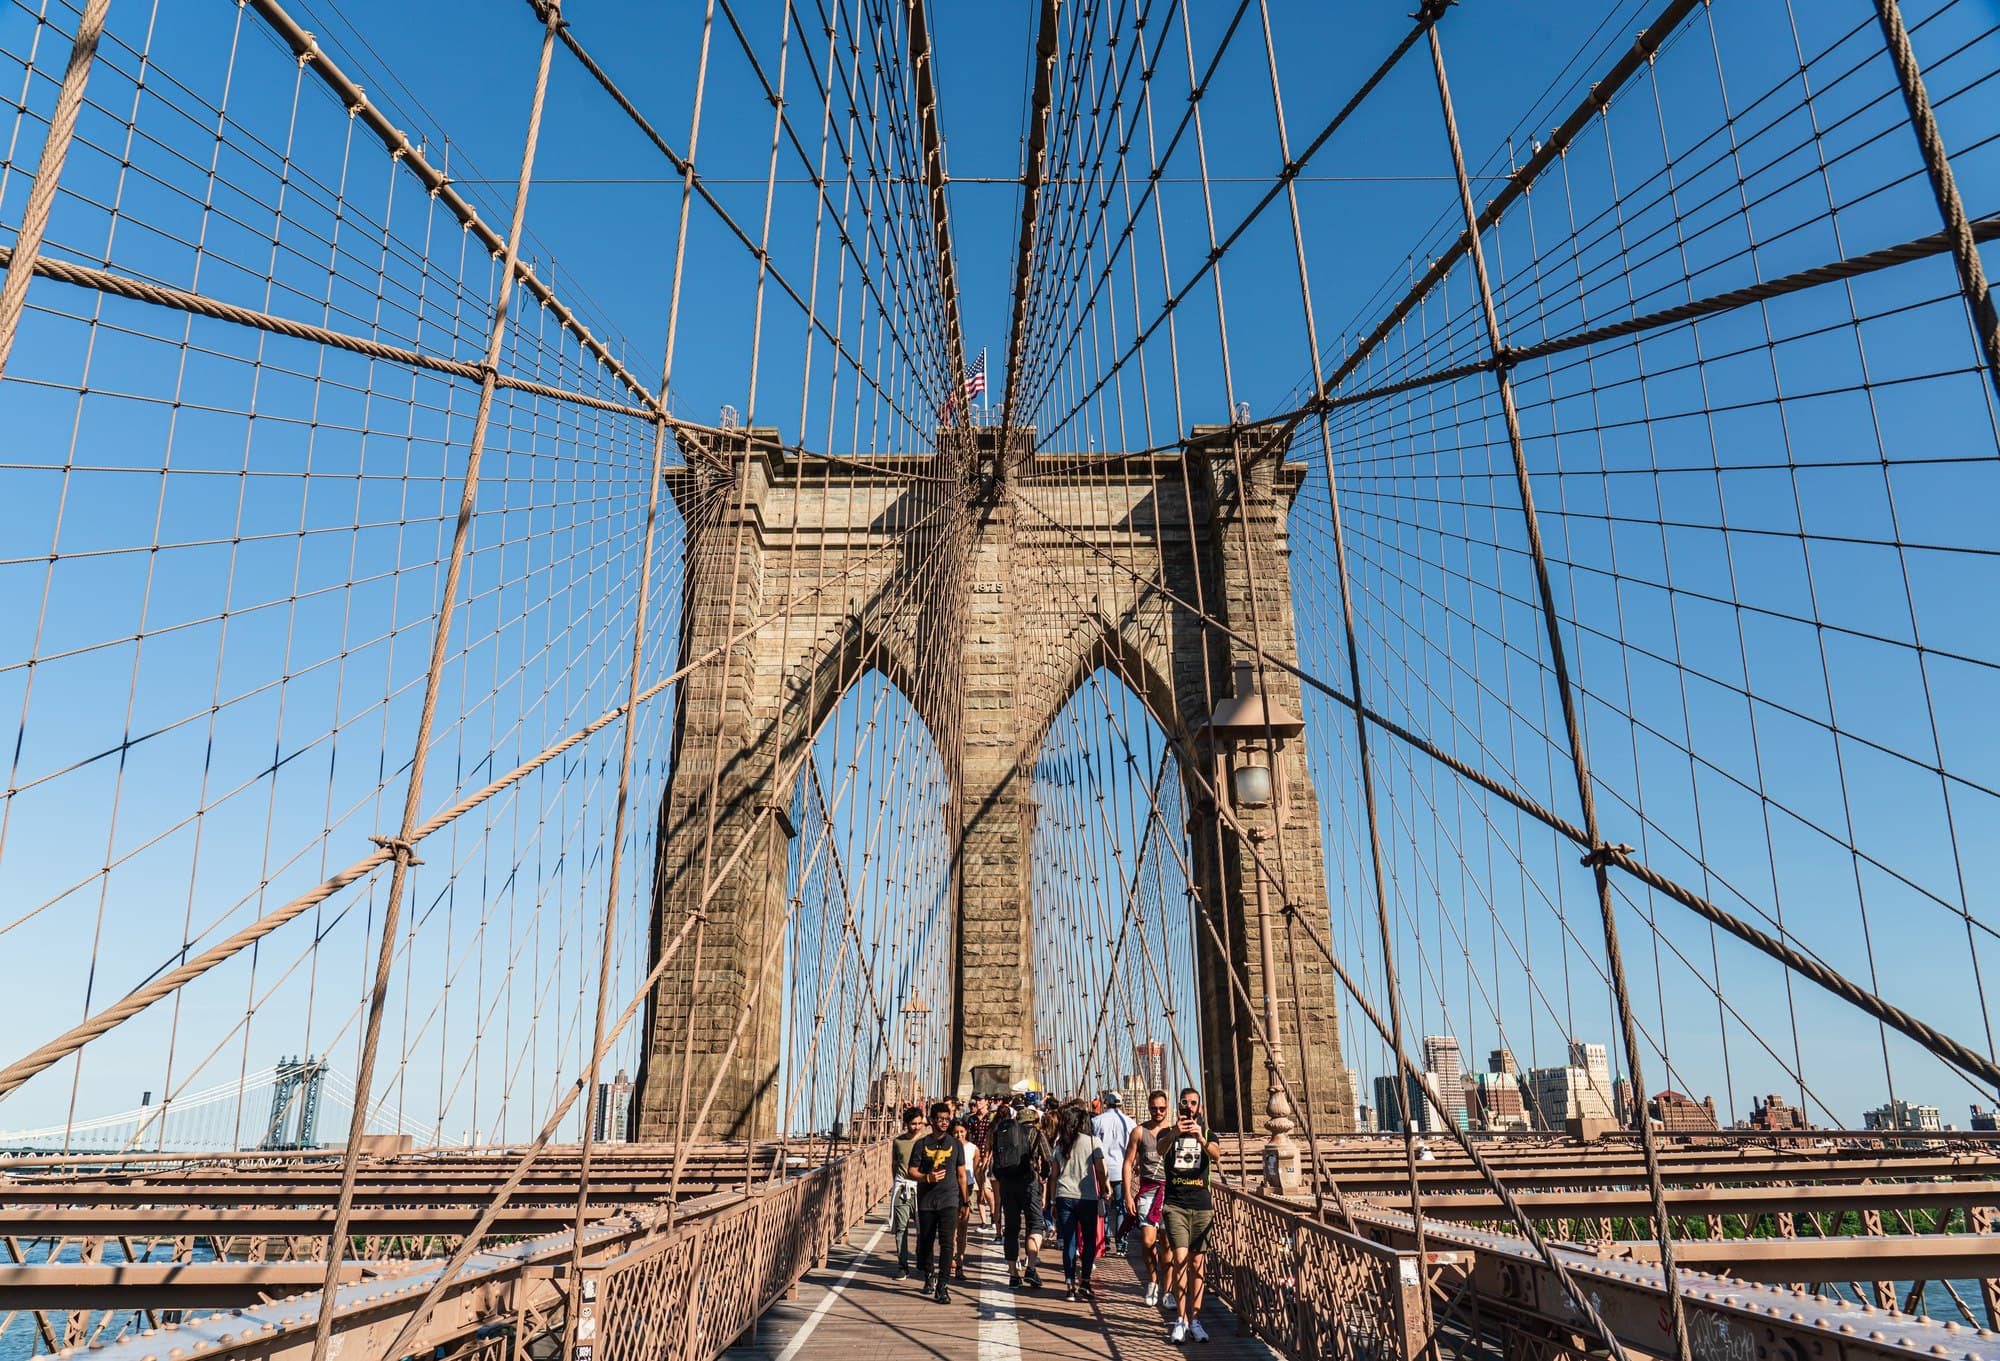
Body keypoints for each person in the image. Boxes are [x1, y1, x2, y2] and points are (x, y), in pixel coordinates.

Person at [1161, 1087, 1222, 1343]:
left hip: (1201, 1205)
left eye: (1194, 1103)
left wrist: (1201, 1139)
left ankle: (1195, 1321)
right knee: (1180, 1259)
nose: (1189, 1107)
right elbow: (1157, 1150)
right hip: (1175, 1205)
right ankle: (1181, 1320)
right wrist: (1176, 1132)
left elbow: (1217, 1155)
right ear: (1180, 1106)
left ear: (1200, 1108)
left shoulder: (1208, 1133)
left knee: (1197, 1264)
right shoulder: (1168, 1133)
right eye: (1185, 1103)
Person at [907, 1101, 970, 1303]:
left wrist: (965, 1202)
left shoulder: (955, 1144)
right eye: (941, 1119)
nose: (944, 1123)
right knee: (925, 1242)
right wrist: (927, 1178)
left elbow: (961, 1174)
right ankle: (929, 1274)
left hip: (949, 1199)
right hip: (926, 1200)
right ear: (932, 1121)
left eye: (947, 1119)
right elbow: (911, 1171)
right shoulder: (921, 1144)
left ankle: (943, 1285)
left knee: (947, 1243)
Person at [989, 1094, 1053, 1288]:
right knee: (1035, 1225)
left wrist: (1003, 1179)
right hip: (1029, 1183)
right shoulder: (1037, 1134)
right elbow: (1048, 1160)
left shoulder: (1005, 1133)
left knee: (1011, 1229)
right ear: (1033, 1121)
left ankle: (1013, 1275)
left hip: (1008, 1184)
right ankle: (1031, 1268)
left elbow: (996, 1163)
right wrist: (1043, 1175)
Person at [1050, 1101, 1108, 1301]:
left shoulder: (1060, 1144)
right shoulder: (1093, 1142)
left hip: (1063, 1196)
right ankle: (1085, 1282)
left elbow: (1053, 1175)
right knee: (1089, 1240)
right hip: (1087, 1197)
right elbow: (1100, 1169)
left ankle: (1069, 1286)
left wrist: (1051, 1201)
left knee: (1069, 1242)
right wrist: (1105, 1188)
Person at [1123, 1088, 1172, 1306]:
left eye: (1162, 1108)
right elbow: (1128, 1163)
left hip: (1170, 1192)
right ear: (1149, 1108)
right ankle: (1153, 1282)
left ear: (1167, 1108)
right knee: (1147, 1241)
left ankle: (1168, 1292)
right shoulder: (1139, 1132)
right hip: (1147, 1191)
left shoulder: (1174, 1131)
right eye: (1154, 1108)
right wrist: (1128, 1195)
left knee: (1168, 1244)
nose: (1158, 1112)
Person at [1092, 1089, 1136, 1250]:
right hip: (1122, 1170)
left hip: (1101, 1169)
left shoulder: (1097, 1121)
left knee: (1102, 1205)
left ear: (1106, 1104)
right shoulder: (1130, 1123)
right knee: (1120, 1206)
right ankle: (1121, 1243)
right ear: (1121, 1104)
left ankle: (1104, 1241)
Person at [889, 1105, 923, 1279]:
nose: (917, 1127)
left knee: (922, 1228)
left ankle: (921, 1257)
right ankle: (902, 1265)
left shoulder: (926, 1140)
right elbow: (894, 1164)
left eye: (919, 1123)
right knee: (901, 1228)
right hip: (903, 1188)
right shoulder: (898, 1142)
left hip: (921, 1188)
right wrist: (895, 1182)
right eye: (913, 1124)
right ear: (906, 1124)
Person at [950, 1116, 977, 1280]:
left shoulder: (973, 1149)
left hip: (968, 1188)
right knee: (951, 1228)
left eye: (961, 1132)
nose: (959, 1135)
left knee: (963, 1228)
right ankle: (952, 1259)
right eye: (955, 1132)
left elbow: (975, 1172)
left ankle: (960, 1259)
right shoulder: (948, 1147)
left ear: (966, 1132)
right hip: (952, 1188)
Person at [964, 1096, 995, 1227]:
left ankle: (994, 1216)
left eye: (981, 1100)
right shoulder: (971, 1119)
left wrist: (989, 1156)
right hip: (975, 1156)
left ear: (986, 1102)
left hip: (988, 1156)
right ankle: (983, 1221)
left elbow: (993, 1138)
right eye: (976, 1101)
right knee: (978, 1190)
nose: (978, 1103)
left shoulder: (991, 1119)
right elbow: (970, 1137)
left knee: (986, 1189)